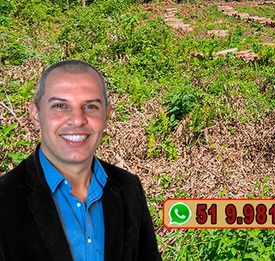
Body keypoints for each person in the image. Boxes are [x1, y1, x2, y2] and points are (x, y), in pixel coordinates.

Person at [0, 59, 161, 261]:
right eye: (60, 105)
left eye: (91, 106)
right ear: (35, 113)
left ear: (106, 115)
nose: (77, 120)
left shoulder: (128, 188)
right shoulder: (5, 198)